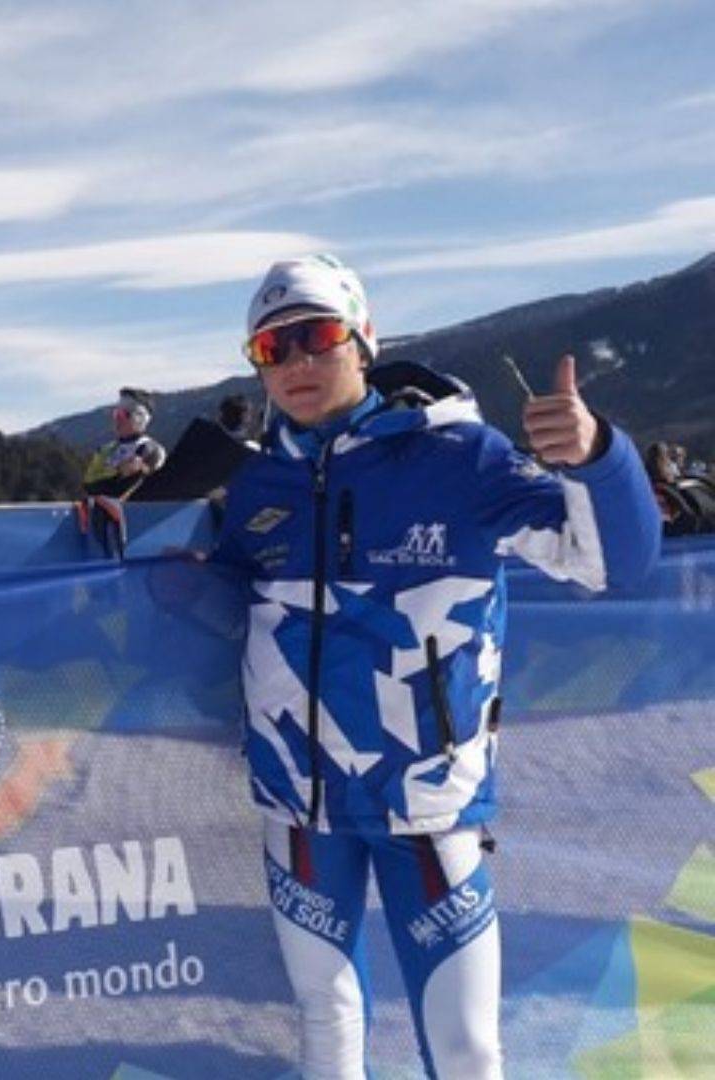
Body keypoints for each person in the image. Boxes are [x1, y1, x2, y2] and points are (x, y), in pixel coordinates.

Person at [212, 255, 659, 1079]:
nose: (297, 361)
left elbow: (612, 564)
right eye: (273, 348)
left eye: (317, 335)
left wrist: (598, 455)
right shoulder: (257, 485)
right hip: (300, 808)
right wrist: (108, 529)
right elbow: (196, 590)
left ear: (365, 339)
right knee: (326, 1025)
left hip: (425, 806)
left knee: (465, 1050)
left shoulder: (459, 457)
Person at [82, 387, 168, 497]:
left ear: (139, 419)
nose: (117, 419)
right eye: (116, 414)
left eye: (122, 414)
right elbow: (89, 484)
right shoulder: (105, 450)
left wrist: (141, 470)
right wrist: (119, 472)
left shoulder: (152, 450)